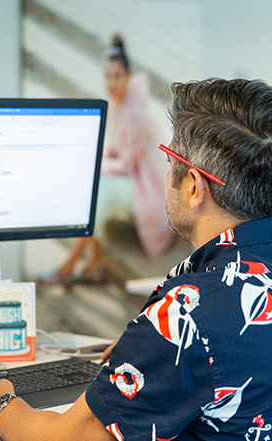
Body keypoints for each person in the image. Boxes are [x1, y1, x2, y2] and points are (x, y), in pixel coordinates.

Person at [0, 78, 272, 440]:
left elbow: (68, 440)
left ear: (195, 186)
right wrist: (156, 353)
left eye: (169, 159)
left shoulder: (193, 309)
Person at [51, 36, 174, 284]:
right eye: (107, 76)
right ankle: (93, 264)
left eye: (117, 76)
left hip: (149, 187)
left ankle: (70, 265)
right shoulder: (116, 105)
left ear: (128, 77)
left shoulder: (134, 113)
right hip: (132, 177)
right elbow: (110, 149)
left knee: (98, 193)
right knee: (92, 187)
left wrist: (96, 168)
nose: (111, 82)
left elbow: (128, 164)